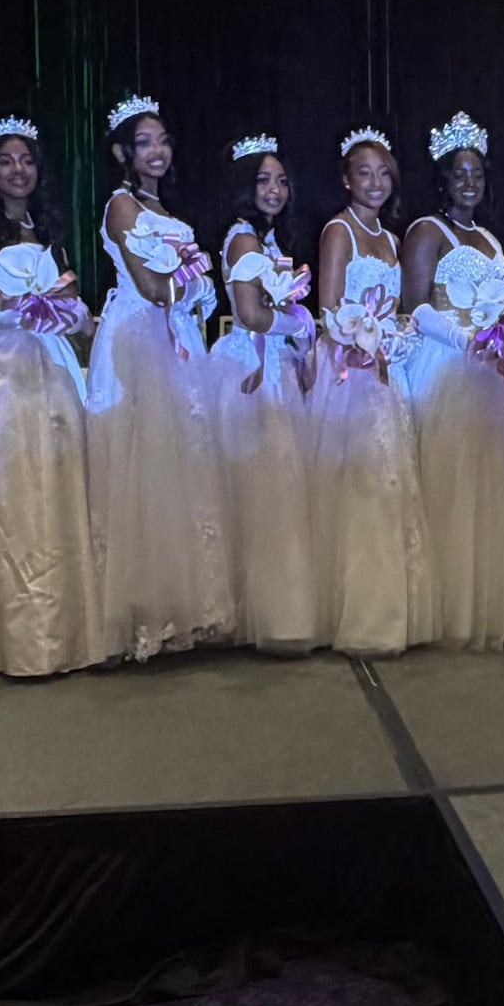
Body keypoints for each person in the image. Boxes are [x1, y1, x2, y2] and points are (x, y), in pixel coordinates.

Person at [86, 92, 239, 662]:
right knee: (145, 466)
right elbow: (153, 288)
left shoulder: (170, 214)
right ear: (124, 151)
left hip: (176, 339)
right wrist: (194, 287)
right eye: (144, 141)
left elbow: (187, 289)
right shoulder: (122, 206)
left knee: (182, 462)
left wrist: (191, 291)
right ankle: (142, 611)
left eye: (163, 140)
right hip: (140, 337)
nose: (157, 151)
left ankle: (184, 606)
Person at [0, 115, 102, 679]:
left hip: (52, 365)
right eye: (7, 160)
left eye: (28, 160)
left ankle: (58, 628)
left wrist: (72, 314)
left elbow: (70, 297)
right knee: (11, 492)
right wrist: (34, 306)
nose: (19, 170)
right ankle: (11, 634)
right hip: (6, 369)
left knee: (55, 487)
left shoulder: (44, 225)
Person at [398, 113, 504, 648]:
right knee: (449, 488)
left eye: (476, 172)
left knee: (488, 489)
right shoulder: (427, 231)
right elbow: (414, 306)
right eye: (459, 173)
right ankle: (446, 606)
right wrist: (463, 341)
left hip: (490, 374)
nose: (469, 181)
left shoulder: (492, 240)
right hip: (446, 364)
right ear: (443, 181)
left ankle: (484, 606)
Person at [308, 125, 434, 655]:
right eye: (365, 172)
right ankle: (355, 612)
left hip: (386, 374)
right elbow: (329, 312)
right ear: (346, 178)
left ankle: (389, 610)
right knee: (357, 486)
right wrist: (364, 340)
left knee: (389, 486)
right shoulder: (340, 231)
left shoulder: (390, 237)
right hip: (348, 374)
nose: (376, 182)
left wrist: (399, 338)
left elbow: (400, 309)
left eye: (385, 173)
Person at [215, 132, 325, 653]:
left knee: (279, 487)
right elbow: (252, 314)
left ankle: (280, 605)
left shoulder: (269, 239)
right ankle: (266, 611)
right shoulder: (242, 238)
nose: (275, 190)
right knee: (266, 485)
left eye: (282, 181)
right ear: (244, 186)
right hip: (253, 367)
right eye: (263, 180)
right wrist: (301, 329)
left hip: (275, 363)